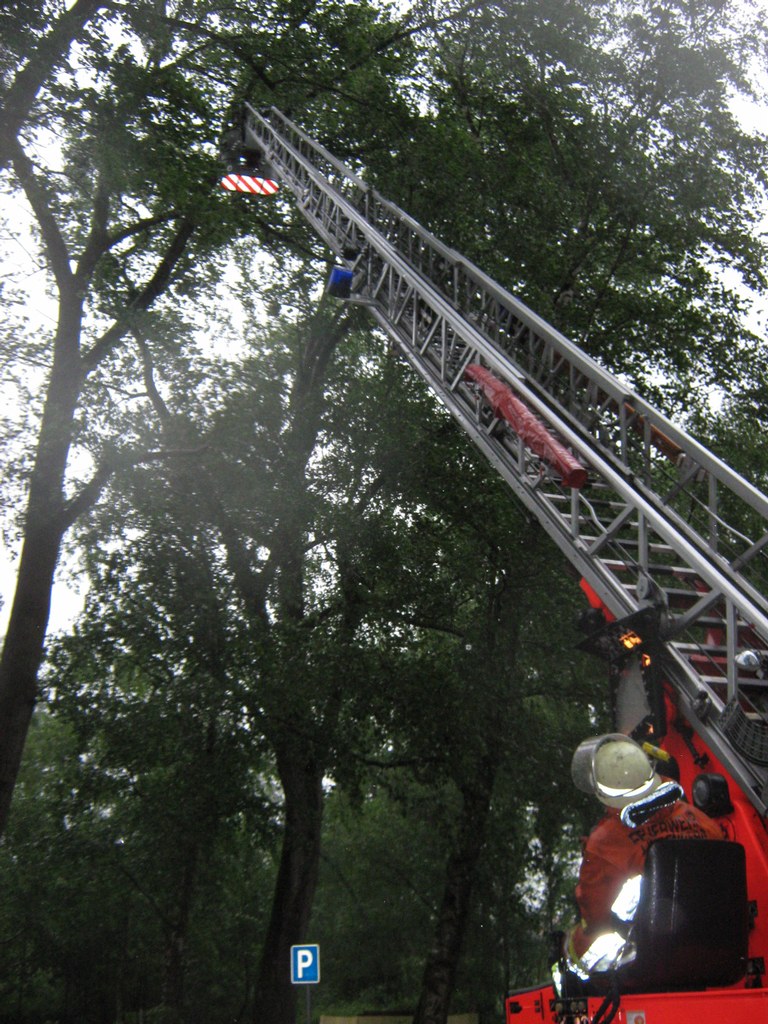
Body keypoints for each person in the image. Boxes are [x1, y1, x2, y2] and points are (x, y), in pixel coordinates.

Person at [556, 733, 723, 991]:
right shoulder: (703, 822)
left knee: (578, 944)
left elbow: (596, 916)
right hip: (712, 952)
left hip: (651, 961)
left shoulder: (605, 844)